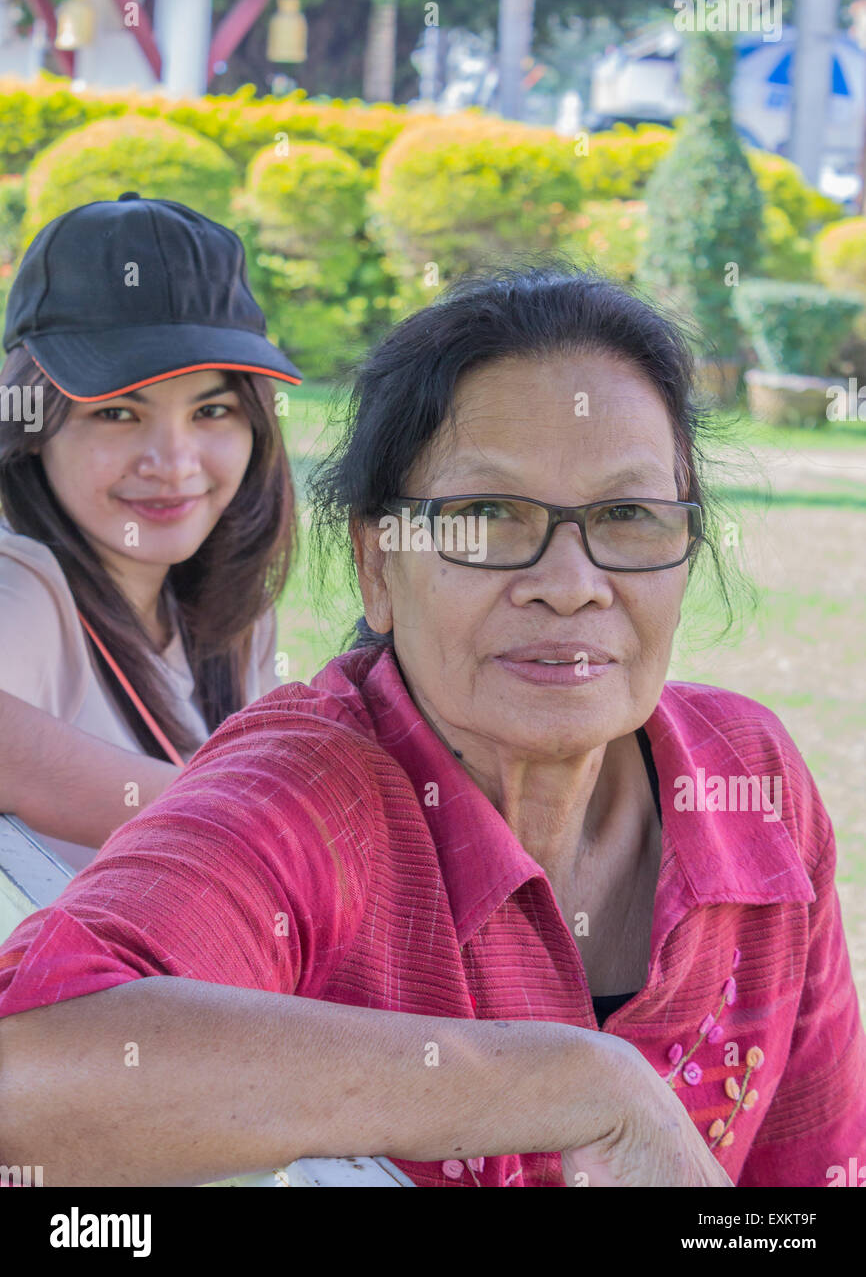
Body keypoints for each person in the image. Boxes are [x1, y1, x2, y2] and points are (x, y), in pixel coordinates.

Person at [0, 264, 863, 1188]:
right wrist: (575, 1082)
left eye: (627, 516)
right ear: (378, 566)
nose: (570, 583)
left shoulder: (748, 779)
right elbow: (29, 1071)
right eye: (486, 516)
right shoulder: (310, 794)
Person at [0, 193, 301, 871]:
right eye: (116, 414)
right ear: (34, 427)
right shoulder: (21, 579)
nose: (173, 464)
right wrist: (259, 823)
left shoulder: (233, 614)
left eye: (212, 409)